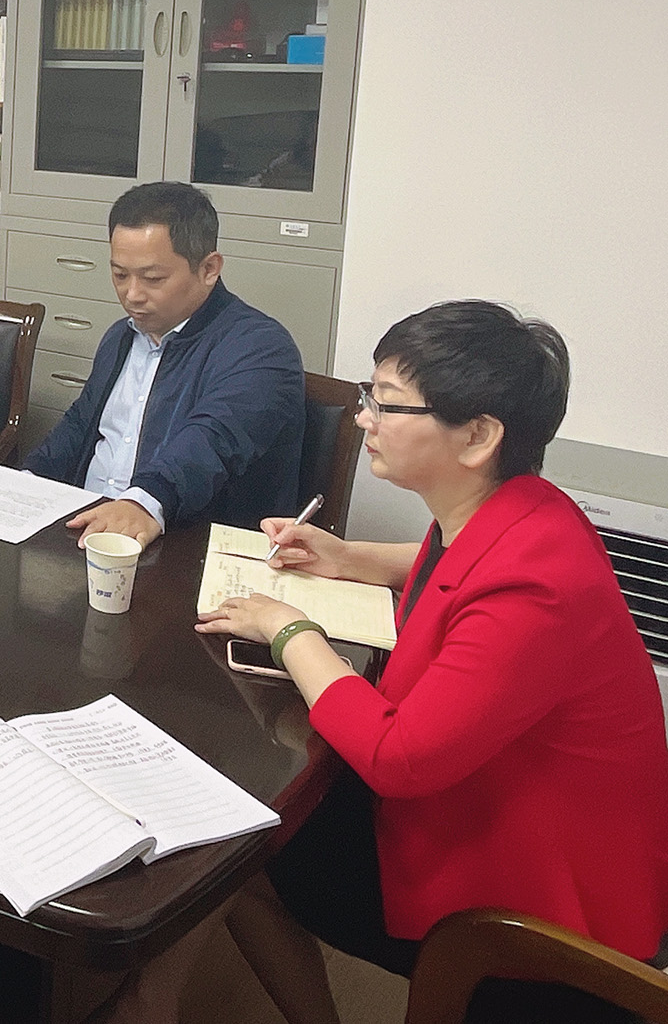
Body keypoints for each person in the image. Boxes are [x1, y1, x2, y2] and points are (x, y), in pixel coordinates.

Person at [189, 301, 668, 1024]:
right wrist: (348, 557)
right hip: (488, 804)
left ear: (477, 435)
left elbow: (397, 757)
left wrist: (290, 630)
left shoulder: (536, 587)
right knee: (260, 822)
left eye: (386, 402)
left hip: (539, 906)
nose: (363, 418)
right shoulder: (524, 509)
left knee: (244, 849)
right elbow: (455, 563)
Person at [23, 181, 303, 546]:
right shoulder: (121, 337)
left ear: (209, 268)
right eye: (120, 275)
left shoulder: (261, 348)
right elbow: (78, 426)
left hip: (181, 542)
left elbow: (212, 441)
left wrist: (144, 500)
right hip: (91, 530)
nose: (132, 295)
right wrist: (26, 481)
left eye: (153, 278)